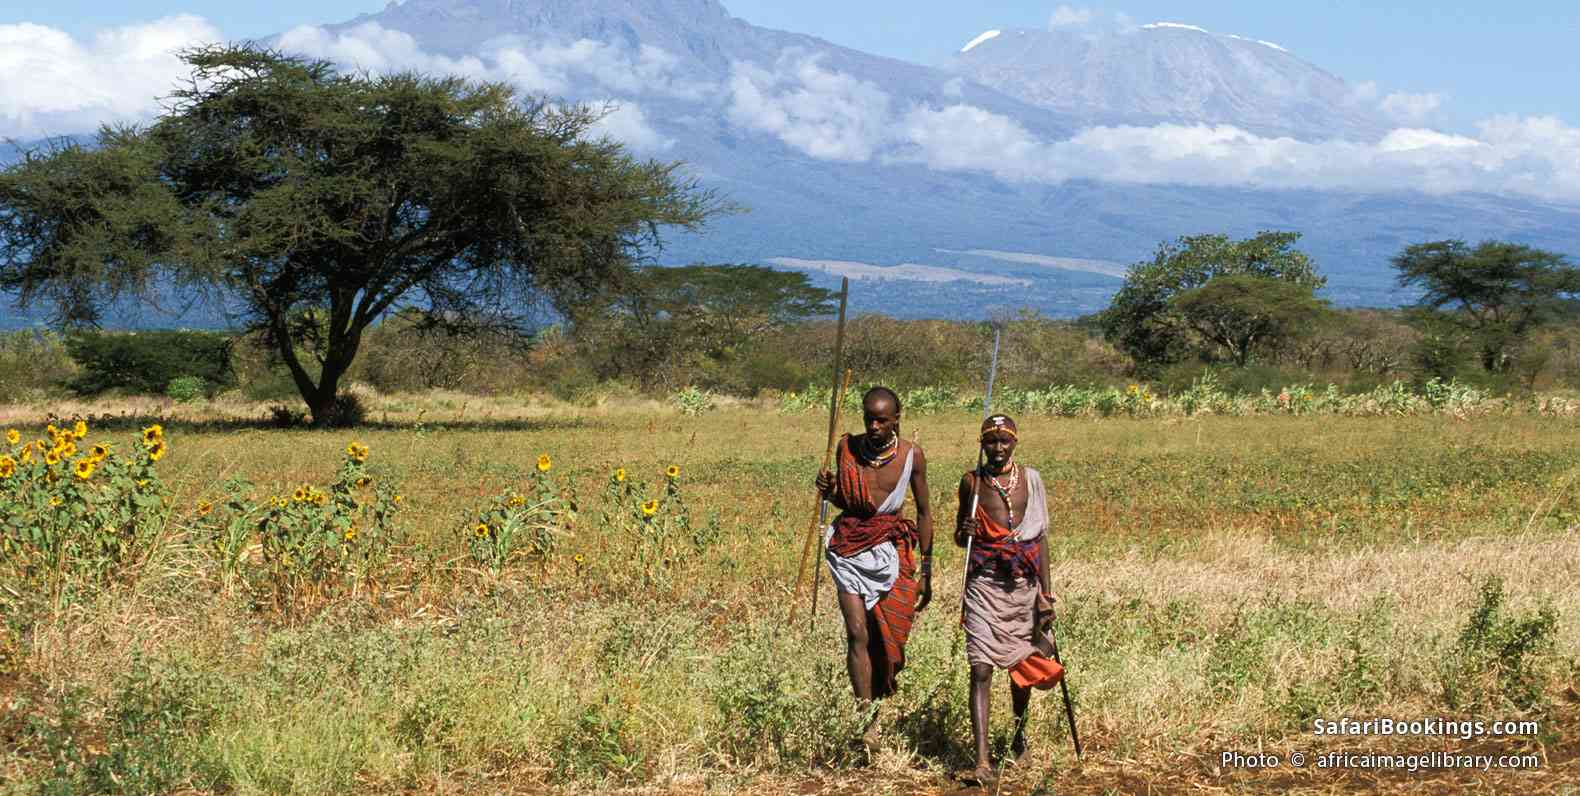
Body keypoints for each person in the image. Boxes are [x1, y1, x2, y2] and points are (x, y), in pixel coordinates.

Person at [815, 386, 934, 744]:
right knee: (857, 633)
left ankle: (878, 696)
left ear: (897, 419)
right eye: (869, 418)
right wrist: (828, 489)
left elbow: (926, 512)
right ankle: (865, 722)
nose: (874, 426)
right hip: (848, 546)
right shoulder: (847, 447)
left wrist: (926, 568)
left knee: (887, 639)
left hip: (889, 550)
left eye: (882, 420)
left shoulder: (913, 456)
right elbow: (846, 499)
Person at [955, 413, 1062, 785]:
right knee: (980, 668)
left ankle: (1018, 738)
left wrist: (1046, 595)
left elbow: (1040, 540)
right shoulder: (972, 482)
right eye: (990, 441)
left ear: (1015, 442)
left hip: (1022, 588)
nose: (997, 448)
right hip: (984, 584)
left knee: (1022, 671)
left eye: (1004, 441)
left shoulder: (1031, 480)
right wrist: (964, 530)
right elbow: (960, 538)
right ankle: (982, 761)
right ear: (981, 444)